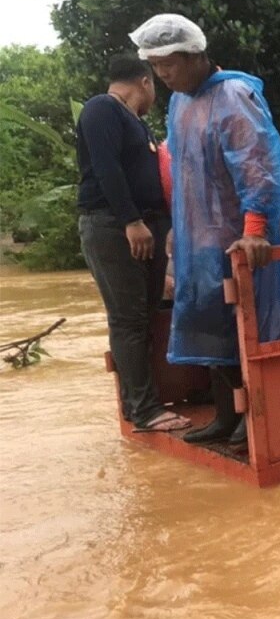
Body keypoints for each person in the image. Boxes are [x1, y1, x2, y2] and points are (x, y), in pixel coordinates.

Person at [129, 13, 280, 446]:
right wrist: (178, 229)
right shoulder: (180, 102)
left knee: (251, 323)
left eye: (168, 64)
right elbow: (186, 174)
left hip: (240, 237)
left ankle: (260, 417)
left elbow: (259, 167)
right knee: (211, 327)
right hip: (198, 240)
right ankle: (226, 416)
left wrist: (255, 227)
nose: (162, 74)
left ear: (194, 55)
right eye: (155, 66)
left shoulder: (233, 94)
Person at [77, 53, 186, 432]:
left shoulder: (138, 123)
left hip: (147, 226)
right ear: (144, 82)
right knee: (128, 318)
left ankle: (143, 401)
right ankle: (143, 409)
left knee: (147, 314)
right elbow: (107, 169)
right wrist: (131, 221)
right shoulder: (101, 109)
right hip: (114, 225)